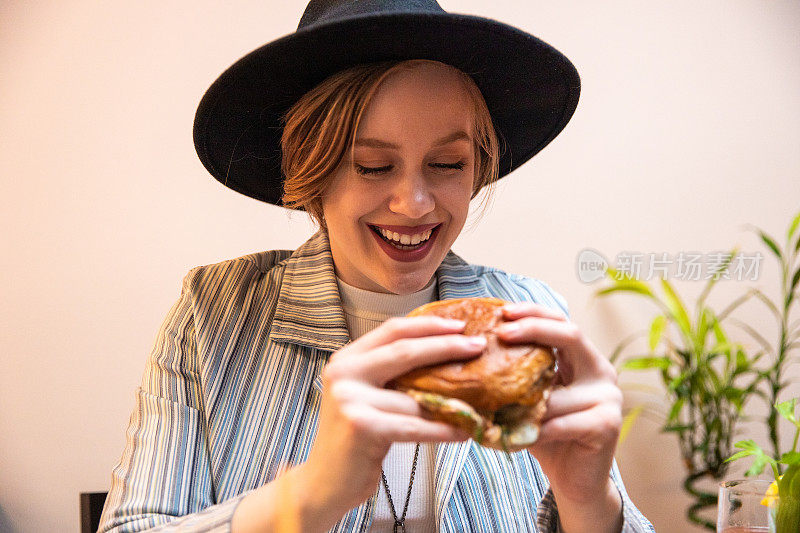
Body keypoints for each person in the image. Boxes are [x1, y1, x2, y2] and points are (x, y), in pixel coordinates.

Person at [99, 1, 655, 532]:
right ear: (311, 171)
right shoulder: (213, 314)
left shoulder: (529, 317)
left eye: (446, 163)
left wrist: (589, 501)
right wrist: (311, 496)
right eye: (372, 166)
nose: (414, 204)